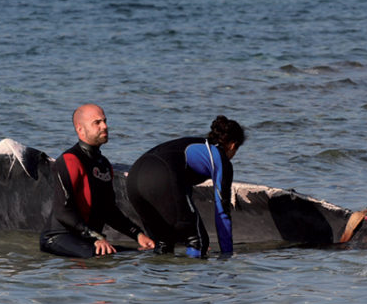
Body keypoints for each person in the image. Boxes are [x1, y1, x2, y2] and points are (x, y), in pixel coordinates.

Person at [40, 104, 155, 258]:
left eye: (105, 121)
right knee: (105, 257)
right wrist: (96, 237)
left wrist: (138, 235)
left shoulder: (104, 164)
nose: (105, 126)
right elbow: (63, 211)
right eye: (97, 122)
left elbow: (109, 211)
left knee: (144, 255)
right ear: (80, 129)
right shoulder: (69, 161)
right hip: (58, 238)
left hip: (89, 240)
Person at [126, 116, 245, 258]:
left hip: (134, 178)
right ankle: (195, 280)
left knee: (164, 241)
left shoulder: (190, 143)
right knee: (198, 241)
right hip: (161, 174)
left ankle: (156, 279)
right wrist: (227, 254)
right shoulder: (219, 158)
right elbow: (222, 212)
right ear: (233, 145)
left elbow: (180, 189)